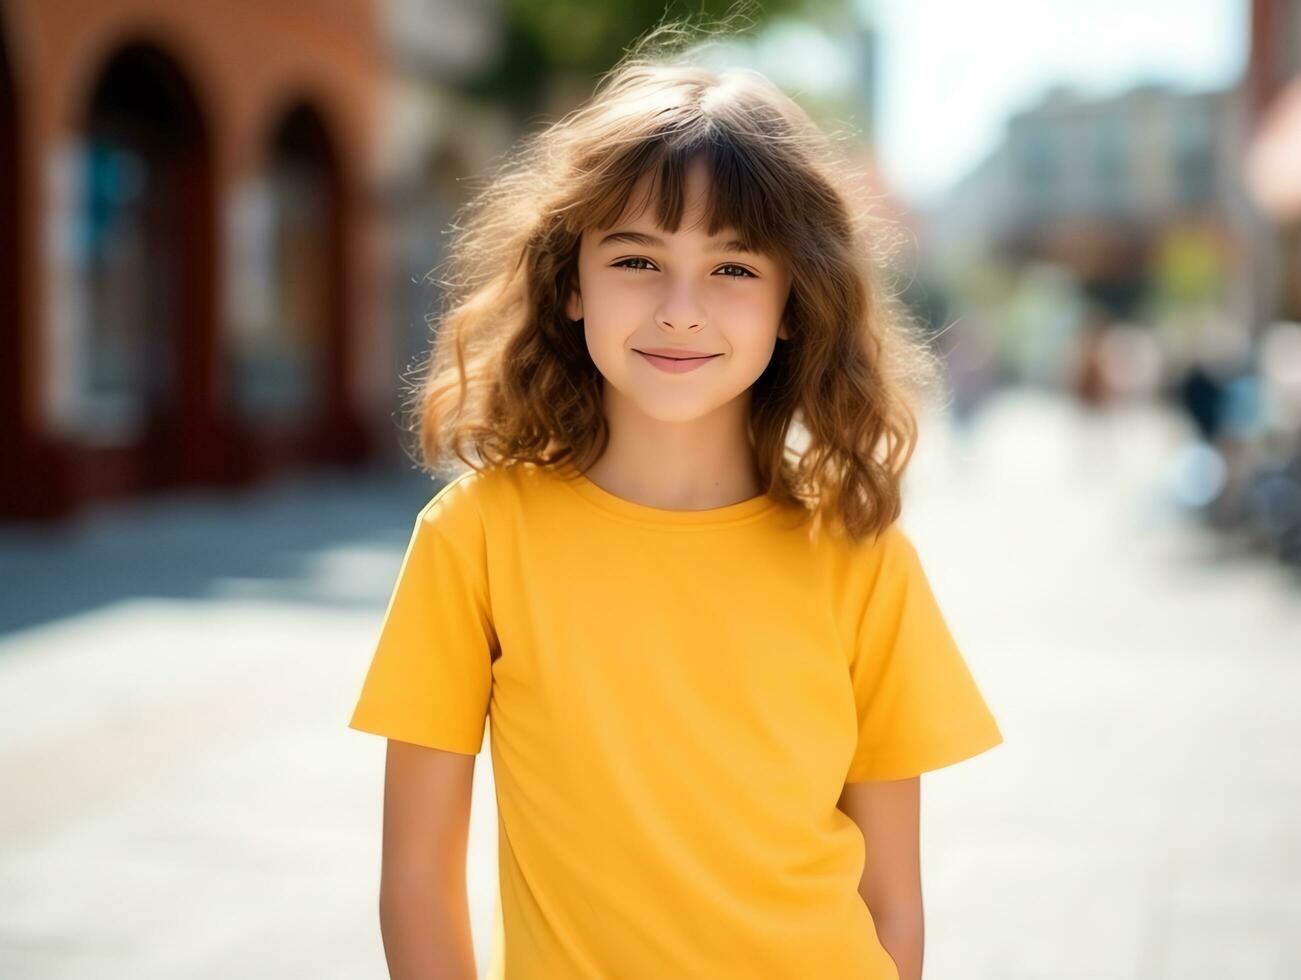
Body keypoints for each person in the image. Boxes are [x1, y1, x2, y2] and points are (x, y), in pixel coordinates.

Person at [348, 15, 1003, 980]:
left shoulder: (858, 552)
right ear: (570, 282)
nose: (680, 306)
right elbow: (414, 878)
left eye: (734, 267)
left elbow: (893, 900)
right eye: (635, 258)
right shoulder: (477, 537)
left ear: (794, 304)